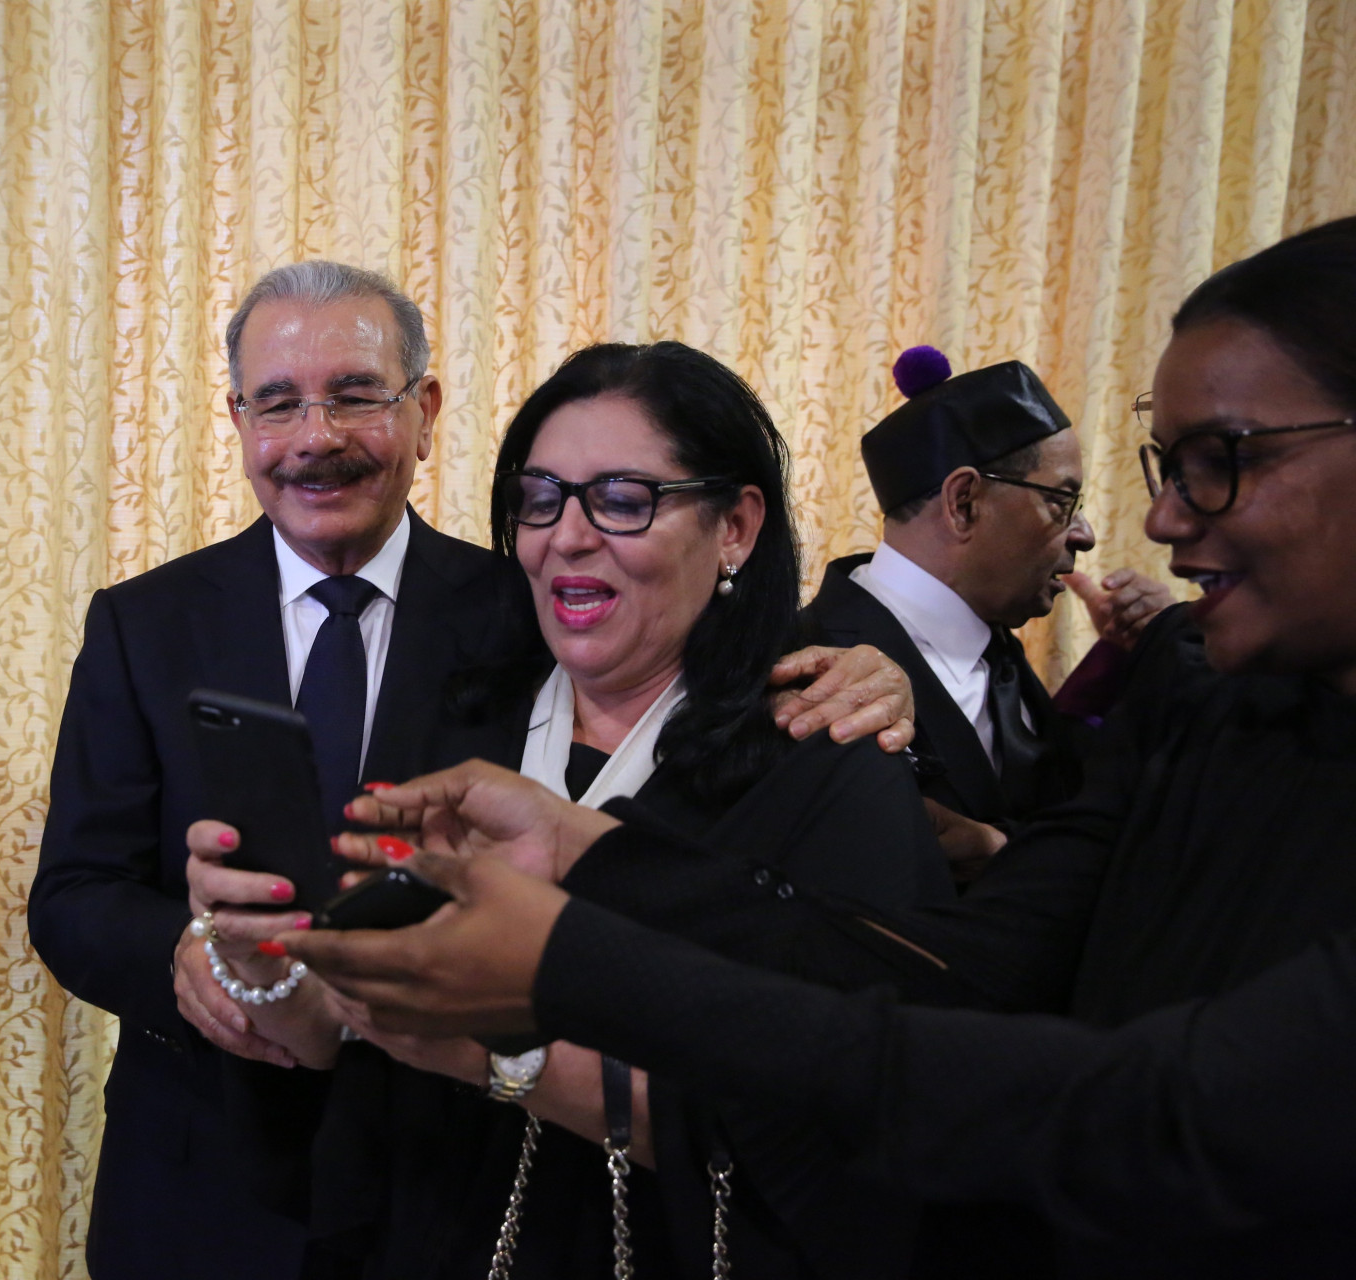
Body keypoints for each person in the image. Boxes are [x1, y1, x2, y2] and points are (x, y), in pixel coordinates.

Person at [285, 214, 1356, 1278]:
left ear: (736, 527)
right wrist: (579, 852)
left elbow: (1090, 1103)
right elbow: (957, 979)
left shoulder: (823, 728)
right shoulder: (1194, 703)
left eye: (622, 500)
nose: (1161, 520)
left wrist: (548, 979)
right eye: (539, 500)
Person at [28, 265, 916, 1278]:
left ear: (424, 411)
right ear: (238, 419)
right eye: (278, 402)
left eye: (356, 394)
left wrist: (875, 670)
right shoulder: (145, 621)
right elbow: (74, 891)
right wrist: (205, 954)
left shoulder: (523, 610)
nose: (316, 435)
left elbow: (696, 677)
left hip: (531, 1197)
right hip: (219, 1173)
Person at [804, 349, 1174, 836]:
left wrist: (1134, 659)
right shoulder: (808, 671)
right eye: (1061, 501)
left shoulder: (996, 649)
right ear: (964, 503)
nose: (1085, 534)